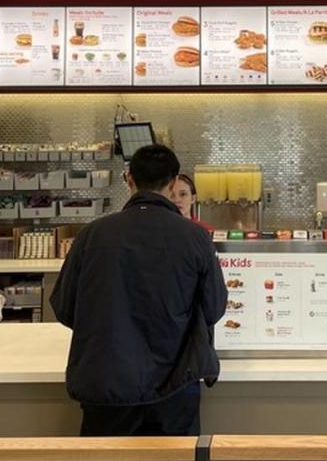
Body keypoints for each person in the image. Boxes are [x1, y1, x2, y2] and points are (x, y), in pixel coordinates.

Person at [50, 144, 227, 440]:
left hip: (106, 384)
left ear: (129, 180)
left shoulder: (92, 234)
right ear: (173, 184)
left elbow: (65, 308)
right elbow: (214, 309)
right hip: (176, 388)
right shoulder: (195, 237)